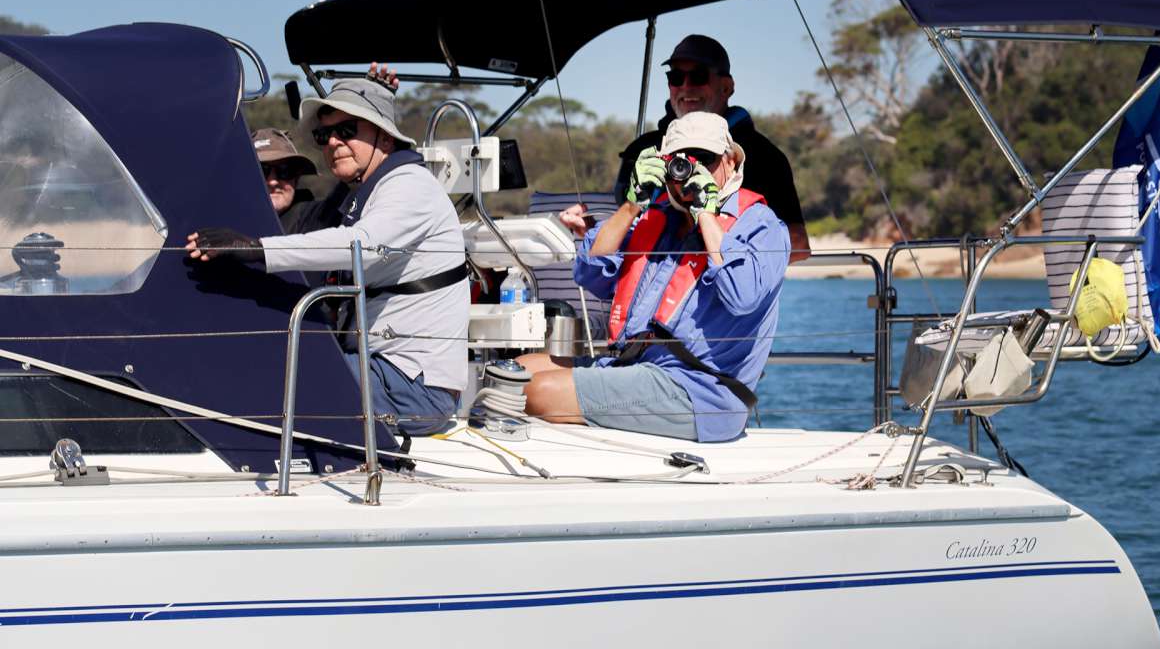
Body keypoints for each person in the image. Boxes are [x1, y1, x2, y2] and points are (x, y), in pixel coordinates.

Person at [186, 78, 469, 436]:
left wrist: (253, 248)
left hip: (414, 390)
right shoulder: (373, 189)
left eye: (347, 131)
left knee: (268, 381)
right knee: (261, 370)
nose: (333, 142)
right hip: (383, 372)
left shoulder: (409, 184)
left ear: (383, 134)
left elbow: (362, 245)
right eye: (324, 136)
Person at [519, 112, 789, 442]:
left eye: (705, 159)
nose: (694, 170)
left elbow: (742, 295)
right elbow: (590, 273)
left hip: (701, 392)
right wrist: (632, 205)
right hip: (635, 370)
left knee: (537, 390)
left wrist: (706, 213)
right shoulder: (657, 217)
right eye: (683, 161)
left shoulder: (762, 226)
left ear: (731, 161)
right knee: (515, 371)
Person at [560, 34, 810, 263]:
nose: (686, 86)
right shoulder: (641, 150)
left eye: (699, 76)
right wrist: (592, 227)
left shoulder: (764, 157)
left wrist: (726, 261)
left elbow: (798, 245)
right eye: (676, 77)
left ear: (726, 87)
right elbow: (625, 236)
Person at [251, 127, 346, 236]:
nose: (272, 181)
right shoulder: (231, 221)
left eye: (284, 171)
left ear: (296, 178)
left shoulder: (317, 218)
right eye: (262, 172)